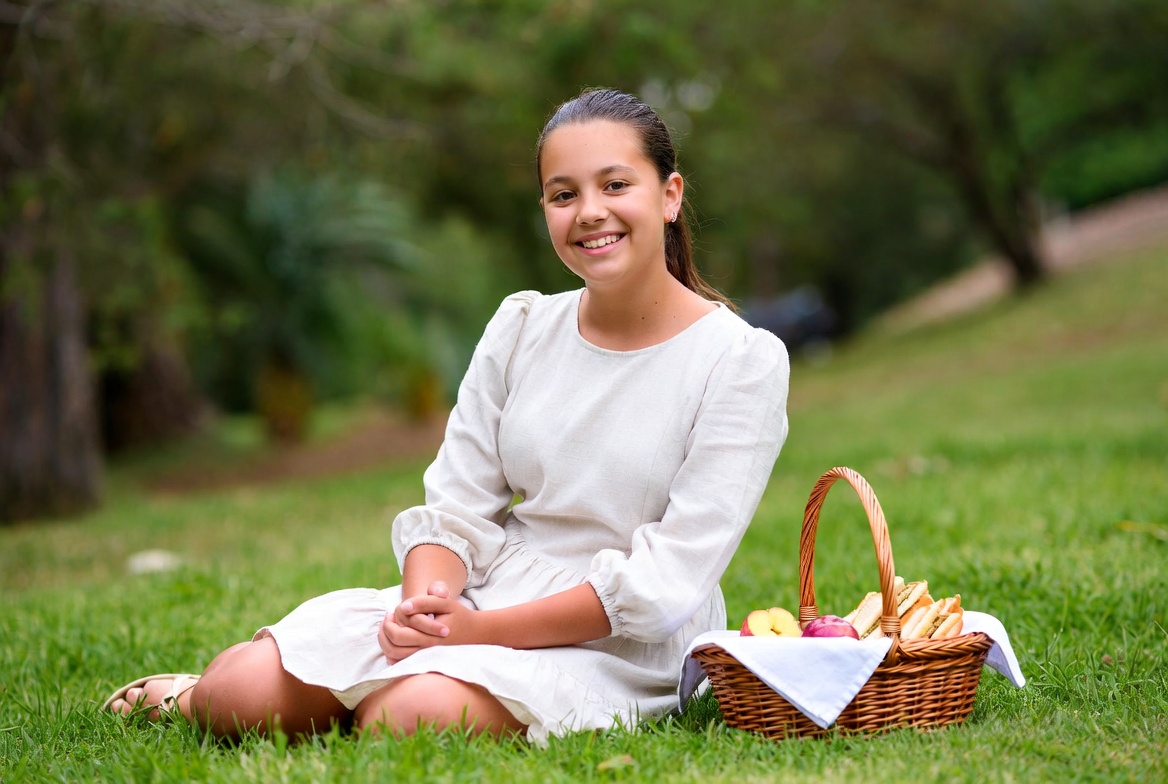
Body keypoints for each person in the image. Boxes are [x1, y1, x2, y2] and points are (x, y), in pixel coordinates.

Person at [104, 87, 790, 744]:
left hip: (622, 638)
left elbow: (666, 584)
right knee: (238, 696)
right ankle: (212, 689)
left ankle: (376, 694)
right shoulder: (522, 325)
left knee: (408, 717)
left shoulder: (740, 359)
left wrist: (474, 634)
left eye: (615, 186)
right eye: (563, 194)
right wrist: (429, 610)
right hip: (486, 596)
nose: (588, 212)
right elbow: (459, 501)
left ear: (669, 196)